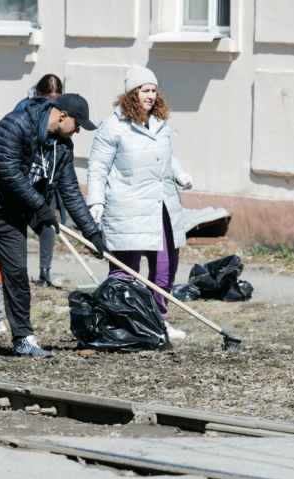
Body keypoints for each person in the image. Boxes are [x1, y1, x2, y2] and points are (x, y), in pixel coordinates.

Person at [0, 93, 105, 360]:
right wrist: (41, 207)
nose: (79, 130)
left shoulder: (63, 147)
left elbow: (70, 192)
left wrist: (92, 233)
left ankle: (23, 338)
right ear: (62, 116)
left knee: (17, 277)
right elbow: (9, 172)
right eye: (77, 123)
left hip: (11, 213)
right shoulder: (15, 124)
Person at [86, 64, 194, 340]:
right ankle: (120, 322)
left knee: (165, 266)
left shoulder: (160, 124)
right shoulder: (114, 127)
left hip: (161, 206)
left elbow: (168, 154)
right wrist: (95, 202)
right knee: (125, 269)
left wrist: (179, 172)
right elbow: (98, 167)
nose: (151, 96)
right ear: (132, 93)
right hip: (128, 208)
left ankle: (159, 320)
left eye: (154, 90)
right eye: (145, 90)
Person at [14, 74, 65, 287]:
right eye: (48, 99)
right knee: (18, 225)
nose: (52, 104)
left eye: (56, 99)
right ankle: (18, 273)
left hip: (47, 178)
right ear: (39, 94)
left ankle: (45, 274)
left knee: (48, 224)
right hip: (25, 176)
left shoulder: (61, 111)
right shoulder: (22, 108)